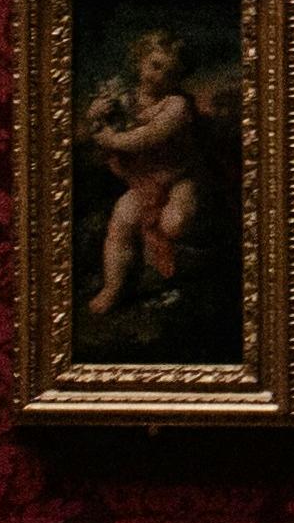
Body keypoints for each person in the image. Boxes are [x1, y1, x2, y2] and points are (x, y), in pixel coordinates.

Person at [78, 28, 223, 327]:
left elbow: (143, 138)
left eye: (170, 73)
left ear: (179, 78)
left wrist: (109, 138)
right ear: (140, 61)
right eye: (155, 66)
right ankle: (113, 288)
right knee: (120, 223)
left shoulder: (177, 106)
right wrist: (95, 114)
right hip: (143, 183)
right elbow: (97, 127)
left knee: (174, 223)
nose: (159, 76)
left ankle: (163, 258)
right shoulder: (125, 98)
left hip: (180, 178)